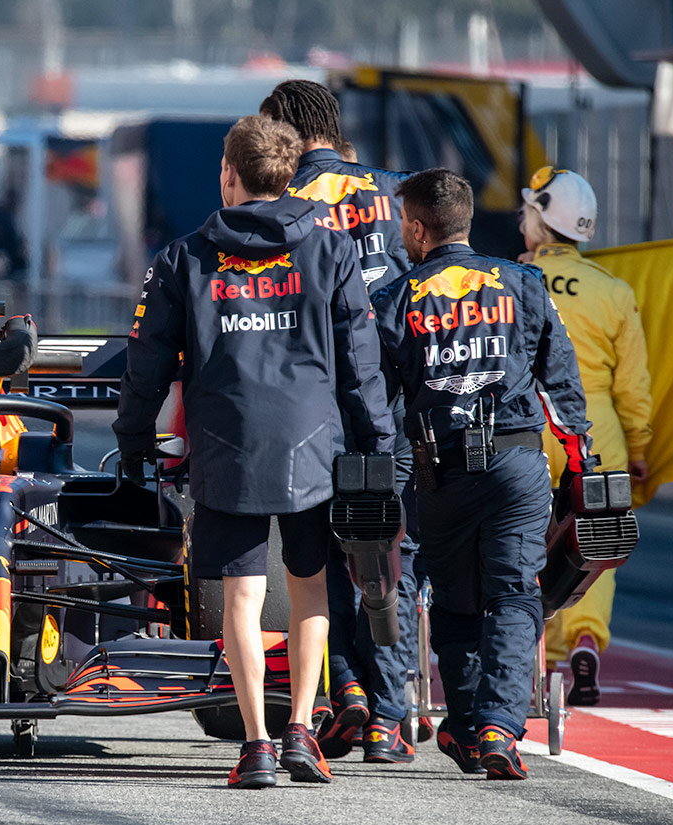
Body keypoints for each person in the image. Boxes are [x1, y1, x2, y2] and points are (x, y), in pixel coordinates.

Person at [115, 115, 395, 789]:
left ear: (230, 175)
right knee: (309, 586)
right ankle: (302, 727)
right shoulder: (331, 251)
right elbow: (362, 365)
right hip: (311, 443)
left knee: (241, 594)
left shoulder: (185, 257)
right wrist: (379, 446)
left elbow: (145, 364)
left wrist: (130, 442)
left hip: (225, 444)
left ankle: (258, 745)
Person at [370, 168, 596, 780]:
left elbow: (373, 405)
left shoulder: (394, 299)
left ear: (417, 229)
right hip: (518, 462)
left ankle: (472, 725)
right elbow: (562, 387)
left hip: (439, 471)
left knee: (456, 602)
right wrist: (583, 465)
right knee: (515, 589)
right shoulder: (524, 282)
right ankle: (495, 727)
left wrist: (373, 475)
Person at [262, 78, 421, 763]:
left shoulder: (283, 204)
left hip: (314, 400)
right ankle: (387, 718)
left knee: (318, 555)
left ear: (285, 132)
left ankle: (347, 688)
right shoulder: (399, 193)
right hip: (391, 402)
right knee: (389, 553)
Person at [519, 166, 652, 706]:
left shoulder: (510, 279)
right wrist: (639, 449)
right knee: (594, 547)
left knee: (526, 542)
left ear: (541, 219)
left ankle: (538, 656)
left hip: (529, 425)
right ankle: (586, 642)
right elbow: (633, 385)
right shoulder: (614, 292)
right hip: (597, 433)